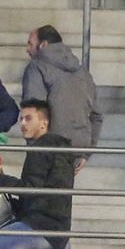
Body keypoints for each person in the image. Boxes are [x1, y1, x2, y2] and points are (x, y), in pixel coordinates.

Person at [0, 100, 74, 249]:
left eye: (28, 119)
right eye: (21, 119)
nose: (22, 124)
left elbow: (30, 189)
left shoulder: (41, 148)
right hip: (56, 234)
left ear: (44, 123)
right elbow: (42, 193)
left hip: (38, 228)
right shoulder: (61, 150)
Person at [21, 25, 102, 169]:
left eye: (30, 44)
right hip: (76, 151)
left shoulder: (36, 67)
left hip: (46, 151)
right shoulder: (84, 73)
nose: (27, 49)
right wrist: (86, 153)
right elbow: (96, 116)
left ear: (43, 45)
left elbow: (32, 111)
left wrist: (34, 151)